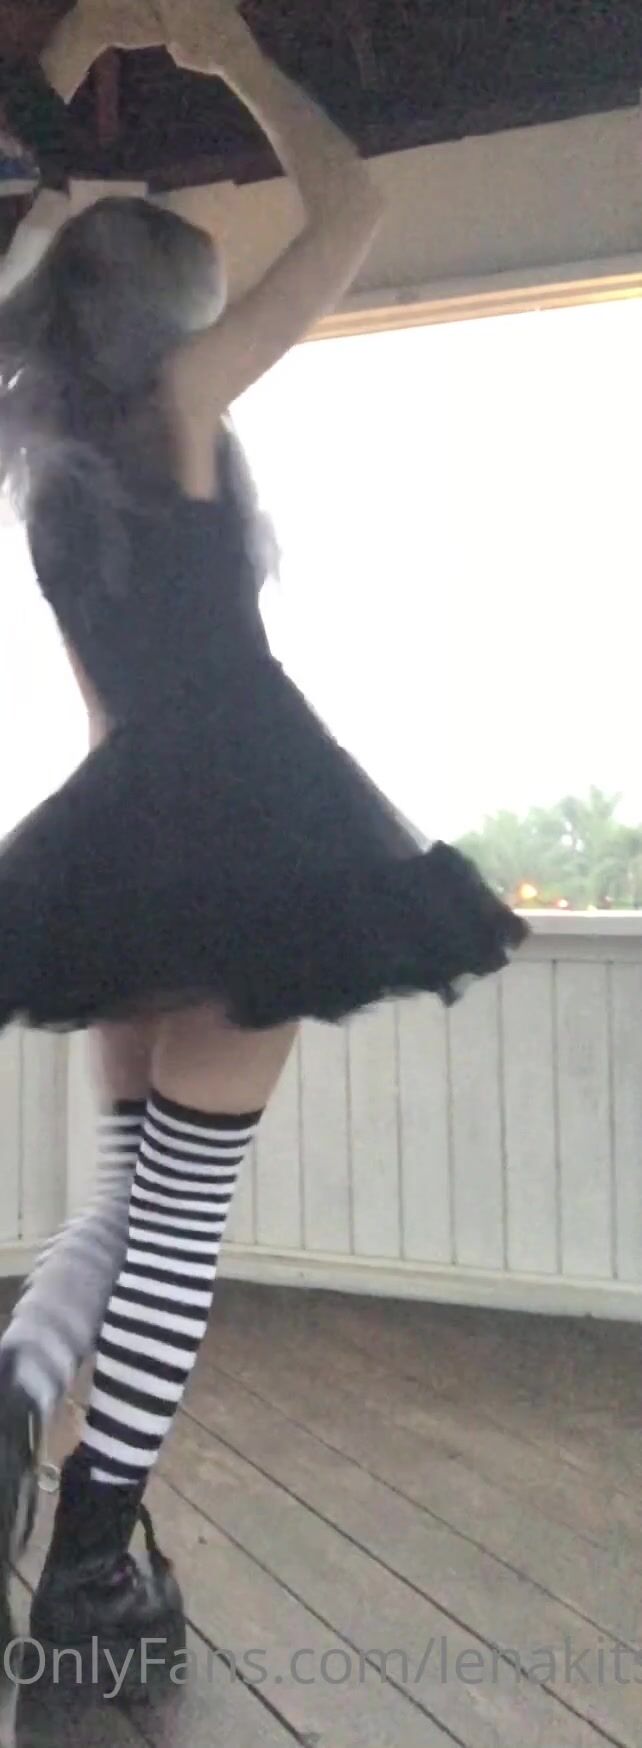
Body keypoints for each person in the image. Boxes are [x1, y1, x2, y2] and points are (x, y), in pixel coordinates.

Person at [0, 0, 527, 1693]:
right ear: (170, 308)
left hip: (122, 820)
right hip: (250, 811)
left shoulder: (47, 463)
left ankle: (18, 1393)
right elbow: (354, 206)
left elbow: (105, 718)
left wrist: (43, 104)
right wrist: (231, 52)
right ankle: (94, 1564)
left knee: (121, 1202)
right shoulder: (184, 396)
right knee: (183, 1220)